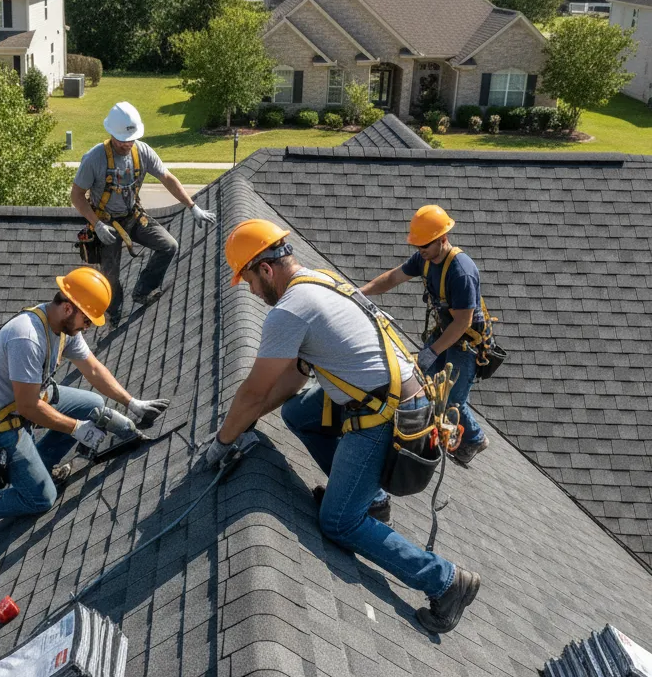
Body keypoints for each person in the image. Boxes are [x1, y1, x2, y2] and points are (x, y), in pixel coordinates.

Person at [203, 220, 481, 634]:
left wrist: (222, 442)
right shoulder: (319, 281)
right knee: (299, 413)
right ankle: (372, 499)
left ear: (265, 269)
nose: (251, 292)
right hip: (397, 396)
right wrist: (247, 420)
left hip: (386, 415)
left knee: (338, 522)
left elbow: (253, 394)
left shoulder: (289, 311)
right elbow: (292, 382)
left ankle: (445, 581)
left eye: (248, 280)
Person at [0, 267, 170, 551]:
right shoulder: (27, 337)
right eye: (86, 320)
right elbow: (28, 407)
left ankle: (40, 467)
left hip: (27, 402)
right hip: (0, 424)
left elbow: (94, 370)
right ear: (67, 308)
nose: (87, 327)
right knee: (41, 499)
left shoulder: (63, 328)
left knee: (94, 406)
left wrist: (131, 402)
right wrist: (76, 429)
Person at [362, 205, 489, 466]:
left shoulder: (461, 272)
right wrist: (360, 293)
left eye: (426, 246)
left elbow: (463, 321)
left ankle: (475, 438)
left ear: (443, 239)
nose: (421, 251)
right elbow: (392, 278)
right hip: (445, 331)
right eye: (418, 246)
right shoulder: (425, 258)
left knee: (452, 399)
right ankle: (429, 432)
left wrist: (432, 351)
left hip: (465, 342)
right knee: (421, 383)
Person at [70, 100, 217, 325]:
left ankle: (142, 290)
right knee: (110, 276)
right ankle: (114, 312)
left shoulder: (142, 151)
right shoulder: (95, 159)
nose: (128, 144)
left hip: (133, 216)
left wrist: (192, 206)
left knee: (169, 246)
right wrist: (96, 225)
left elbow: (167, 178)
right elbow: (77, 196)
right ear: (112, 134)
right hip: (106, 223)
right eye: (123, 140)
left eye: (132, 139)